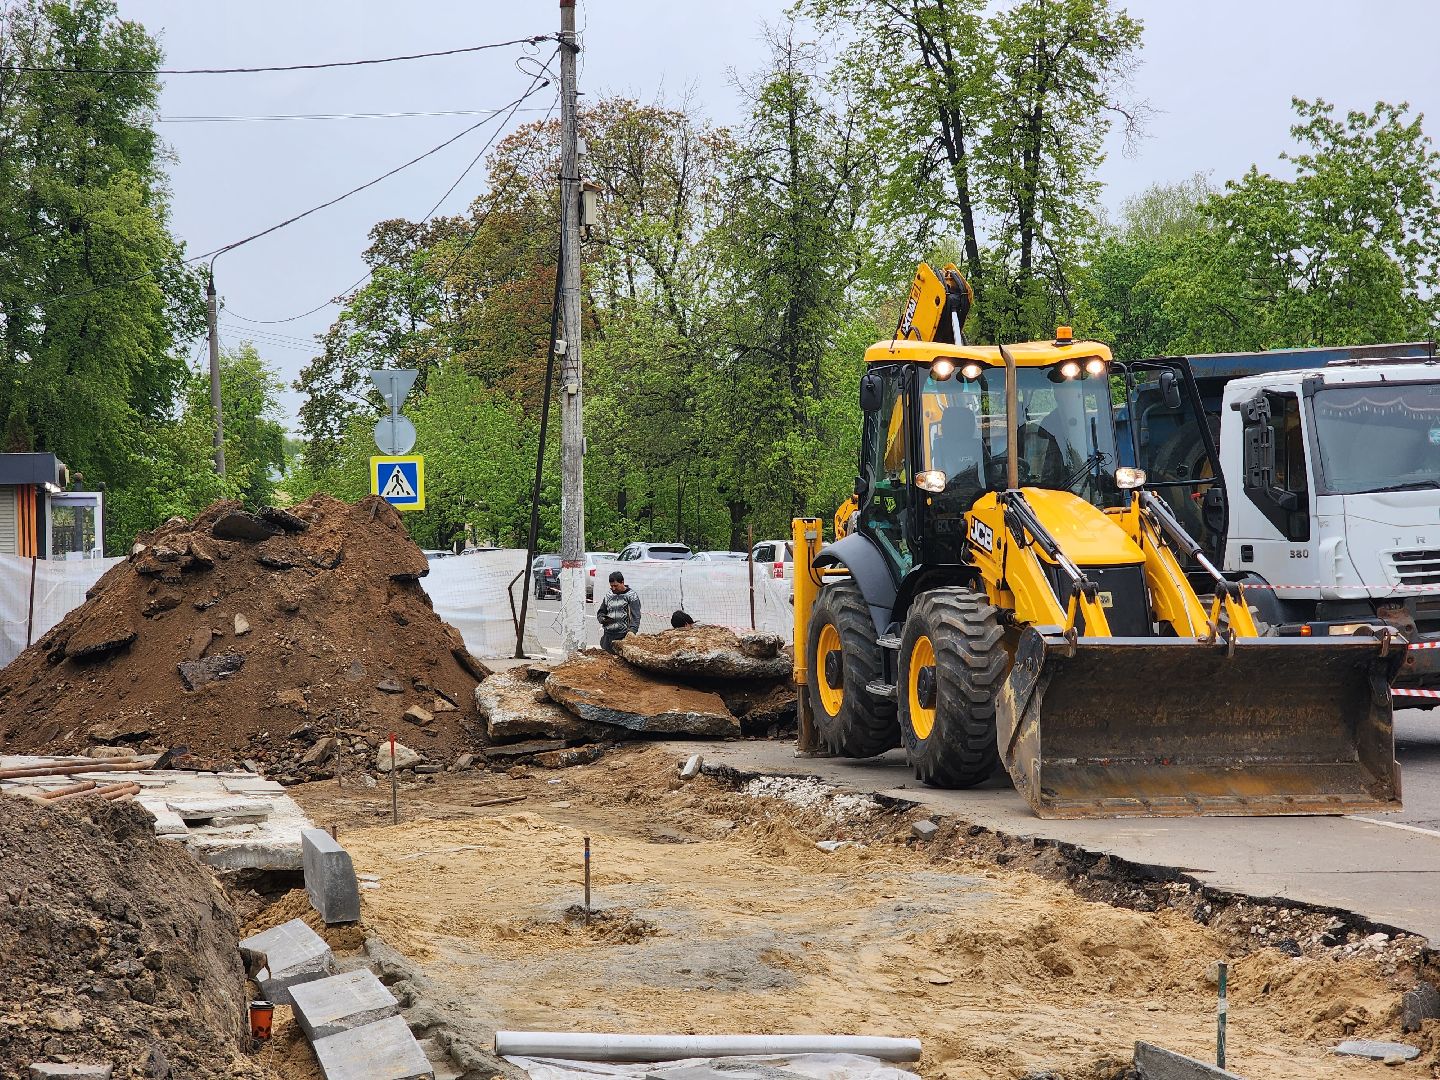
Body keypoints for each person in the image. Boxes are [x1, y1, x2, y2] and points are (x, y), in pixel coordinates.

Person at [597, 570, 641, 653]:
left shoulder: (632, 596)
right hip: (608, 636)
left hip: (623, 636)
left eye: (616, 586)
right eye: (611, 586)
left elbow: (636, 616)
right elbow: (601, 612)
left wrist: (632, 631)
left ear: (622, 582)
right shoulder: (608, 595)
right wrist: (602, 619)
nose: (613, 588)